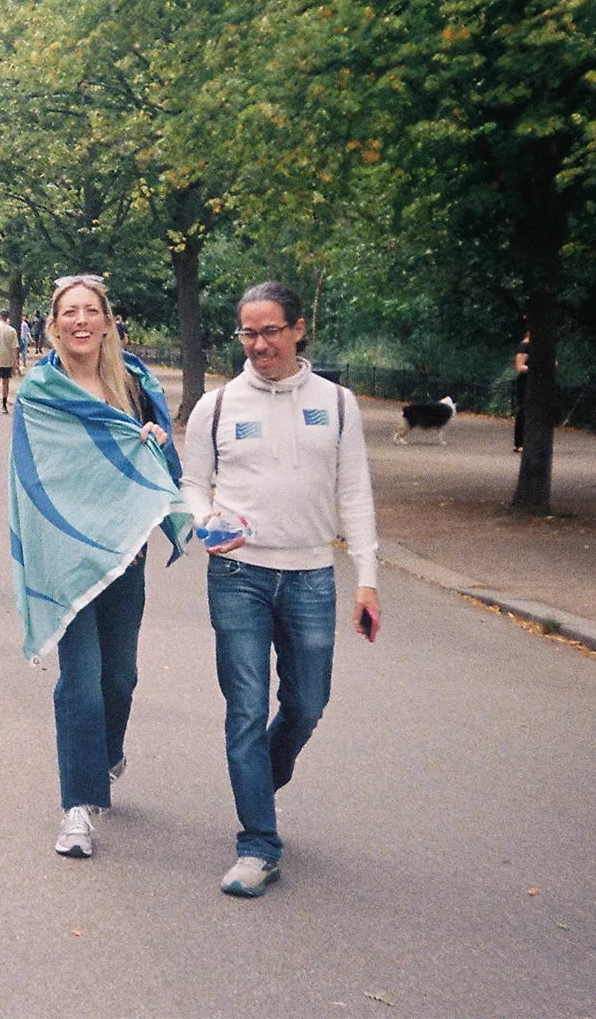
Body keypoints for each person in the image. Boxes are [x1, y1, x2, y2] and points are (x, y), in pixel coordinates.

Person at [180, 280, 381, 899]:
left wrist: (367, 580)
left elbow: (355, 495)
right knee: (245, 709)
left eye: (270, 331)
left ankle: (258, 779)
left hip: (313, 577)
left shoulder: (339, 404)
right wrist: (207, 522)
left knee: (306, 707)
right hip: (238, 577)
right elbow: (191, 485)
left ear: (298, 330)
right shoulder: (216, 407)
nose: (259, 344)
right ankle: (258, 844)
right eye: (248, 332)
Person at [13, 274, 180, 860]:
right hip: (66, 561)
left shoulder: (132, 384)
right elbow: (34, 477)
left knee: (120, 680)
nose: (80, 321)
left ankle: (106, 752)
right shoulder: (40, 390)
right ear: (54, 325)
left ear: (108, 322)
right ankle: (78, 807)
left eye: (91, 311)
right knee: (80, 688)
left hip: (123, 557)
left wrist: (154, 440)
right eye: (69, 313)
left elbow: (161, 460)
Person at [0, 315, 21, 414]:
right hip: (7, 359)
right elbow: (15, 347)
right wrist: (16, 362)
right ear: (7, 317)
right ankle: (4, 405)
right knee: (5, 382)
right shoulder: (12, 330)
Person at [513, 331, 530, 453]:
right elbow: (520, 367)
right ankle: (519, 443)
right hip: (526, 382)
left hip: (539, 383)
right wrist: (539, 367)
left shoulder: (542, 346)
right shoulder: (524, 346)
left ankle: (533, 441)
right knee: (524, 411)